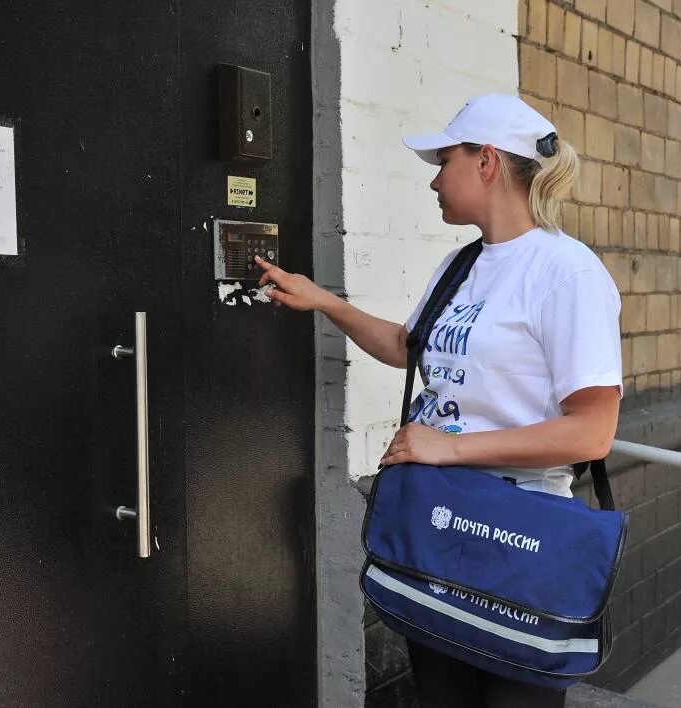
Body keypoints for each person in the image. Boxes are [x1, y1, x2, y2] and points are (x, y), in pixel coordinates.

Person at [255, 94, 623, 707]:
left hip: (516, 540)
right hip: (442, 523)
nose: (433, 180)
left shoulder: (568, 274)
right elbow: (408, 346)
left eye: (444, 160)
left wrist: (447, 447)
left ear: (487, 162)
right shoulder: (462, 265)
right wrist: (323, 301)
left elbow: (592, 431)